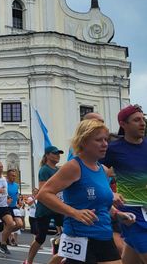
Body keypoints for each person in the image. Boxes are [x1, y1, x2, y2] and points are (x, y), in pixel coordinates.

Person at [37, 118, 134, 264]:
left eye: (105, 140)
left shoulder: (101, 169)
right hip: (80, 237)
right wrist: (74, 212)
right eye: (98, 140)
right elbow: (44, 194)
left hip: (104, 236)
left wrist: (118, 214)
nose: (105, 144)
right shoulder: (74, 166)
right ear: (84, 142)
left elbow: (100, 203)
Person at [101, 104, 147, 264]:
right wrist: (109, 193)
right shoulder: (113, 149)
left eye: (143, 119)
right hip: (131, 212)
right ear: (123, 124)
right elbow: (94, 172)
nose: (142, 123)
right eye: (136, 120)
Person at [23, 146, 65, 264]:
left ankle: (58, 250)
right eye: (55, 153)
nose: (58, 155)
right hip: (45, 208)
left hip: (57, 207)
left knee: (66, 233)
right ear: (47, 155)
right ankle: (29, 261)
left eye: (59, 153)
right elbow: (43, 190)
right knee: (40, 237)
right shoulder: (45, 170)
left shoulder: (57, 170)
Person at [6, 169, 23, 245]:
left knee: (19, 224)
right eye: (12, 175)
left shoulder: (16, 185)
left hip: (14, 207)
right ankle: (7, 239)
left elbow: (16, 194)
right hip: (6, 207)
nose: (14, 177)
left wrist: (19, 201)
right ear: (8, 176)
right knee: (9, 224)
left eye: (15, 176)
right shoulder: (5, 184)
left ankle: (6, 234)